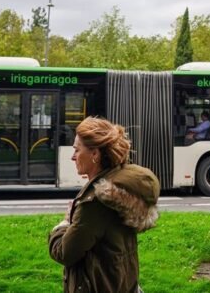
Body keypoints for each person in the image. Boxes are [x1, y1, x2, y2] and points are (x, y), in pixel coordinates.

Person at [49, 117, 160, 293]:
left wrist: (64, 224)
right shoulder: (119, 187)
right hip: (122, 284)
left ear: (95, 154)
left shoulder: (96, 203)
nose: (72, 157)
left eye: (77, 150)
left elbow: (65, 253)